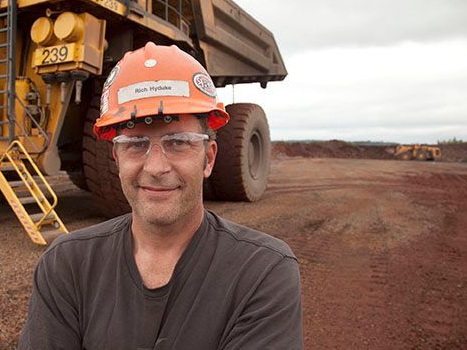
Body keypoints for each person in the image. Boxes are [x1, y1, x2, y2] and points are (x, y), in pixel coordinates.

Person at [18, 42, 303, 349]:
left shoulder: (261, 272)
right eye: (136, 144)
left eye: (178, 142)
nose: (155, 167)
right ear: (116, 157)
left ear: (208, 158)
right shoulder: (68, 266)